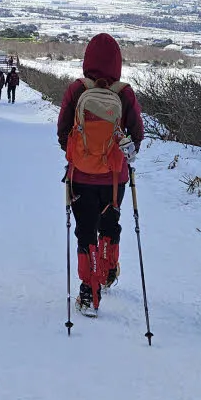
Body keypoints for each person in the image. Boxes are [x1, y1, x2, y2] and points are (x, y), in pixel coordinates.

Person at [58, 32, 143, 317]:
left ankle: (88, 293)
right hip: (114, 178)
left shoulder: (76, 90)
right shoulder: (125, 93)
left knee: (85, 230)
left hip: (81, 176)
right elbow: (137, 135)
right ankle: (107, 272)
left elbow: (62, 132)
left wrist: (78, 154)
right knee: (109, 224)